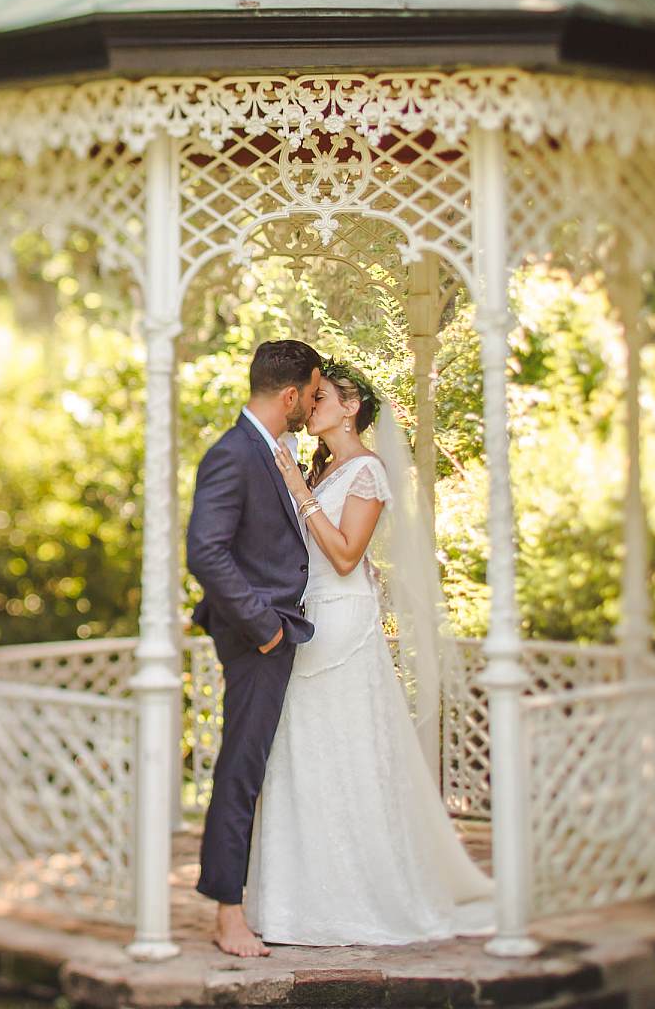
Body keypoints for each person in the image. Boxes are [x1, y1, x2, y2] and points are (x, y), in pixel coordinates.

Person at [244, 360, 494, 945]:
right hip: (311, 619)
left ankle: (362, 900)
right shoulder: (327, 469)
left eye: (322, 396)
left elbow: (347, 555)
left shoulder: (367, 471)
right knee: (302, 754)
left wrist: (297, 489)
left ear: (351, 407)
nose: (312, 405)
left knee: (347, 751)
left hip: (341, 624)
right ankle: (291, 905)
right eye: (311, 396)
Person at [186, 338, 324, 957]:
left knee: (260, 766)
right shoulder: (233, 453)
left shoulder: (274, 450)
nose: (313, 405)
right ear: (290, 395)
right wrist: (263, 626)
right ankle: (227, 913)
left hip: (279, 630)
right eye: (312, 394)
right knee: (241, 769)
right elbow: (205, 551)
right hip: (257, 638)